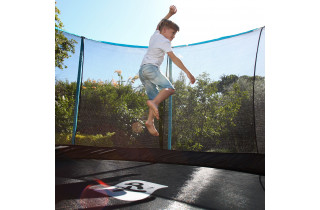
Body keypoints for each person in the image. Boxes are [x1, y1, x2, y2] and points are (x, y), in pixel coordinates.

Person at [139, 5, 195, 136]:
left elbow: (160, 23)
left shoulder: (155, 35)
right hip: (151, 69)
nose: (173, 36)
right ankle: (153, 103)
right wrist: (188, 72)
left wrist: (169, 14)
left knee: (155, 97)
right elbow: (174, 58)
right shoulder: (164, 41)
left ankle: (149, 122)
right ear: (164, 30)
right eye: (173, 33)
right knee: (170, 89)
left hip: (142, 71)